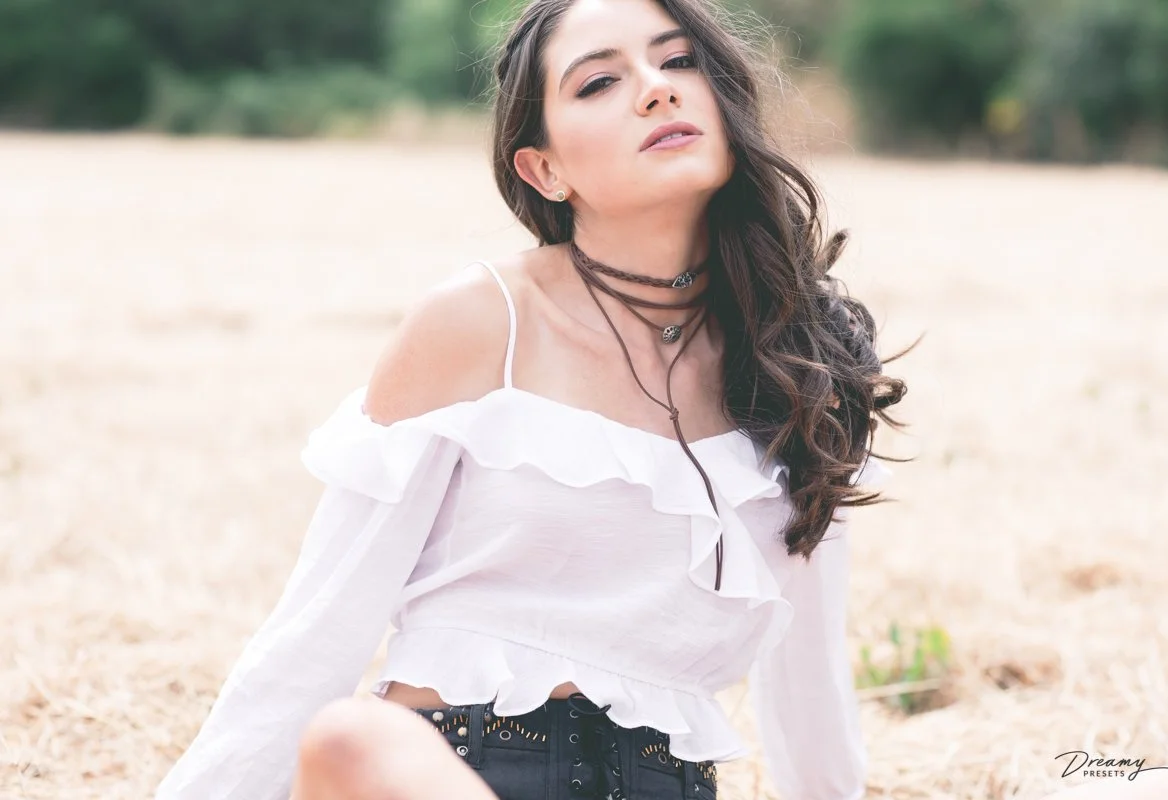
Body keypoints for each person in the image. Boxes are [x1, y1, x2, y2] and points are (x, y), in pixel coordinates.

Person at [155, 0, 913, 797]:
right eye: (598, 83)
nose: (656, 90)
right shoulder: (482, 322)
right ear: (544, 169)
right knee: (352, 737)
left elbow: (811, 688)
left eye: (678, 61)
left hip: (666, 784)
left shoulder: (799, 366)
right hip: (446, 773)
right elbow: (316, 632)